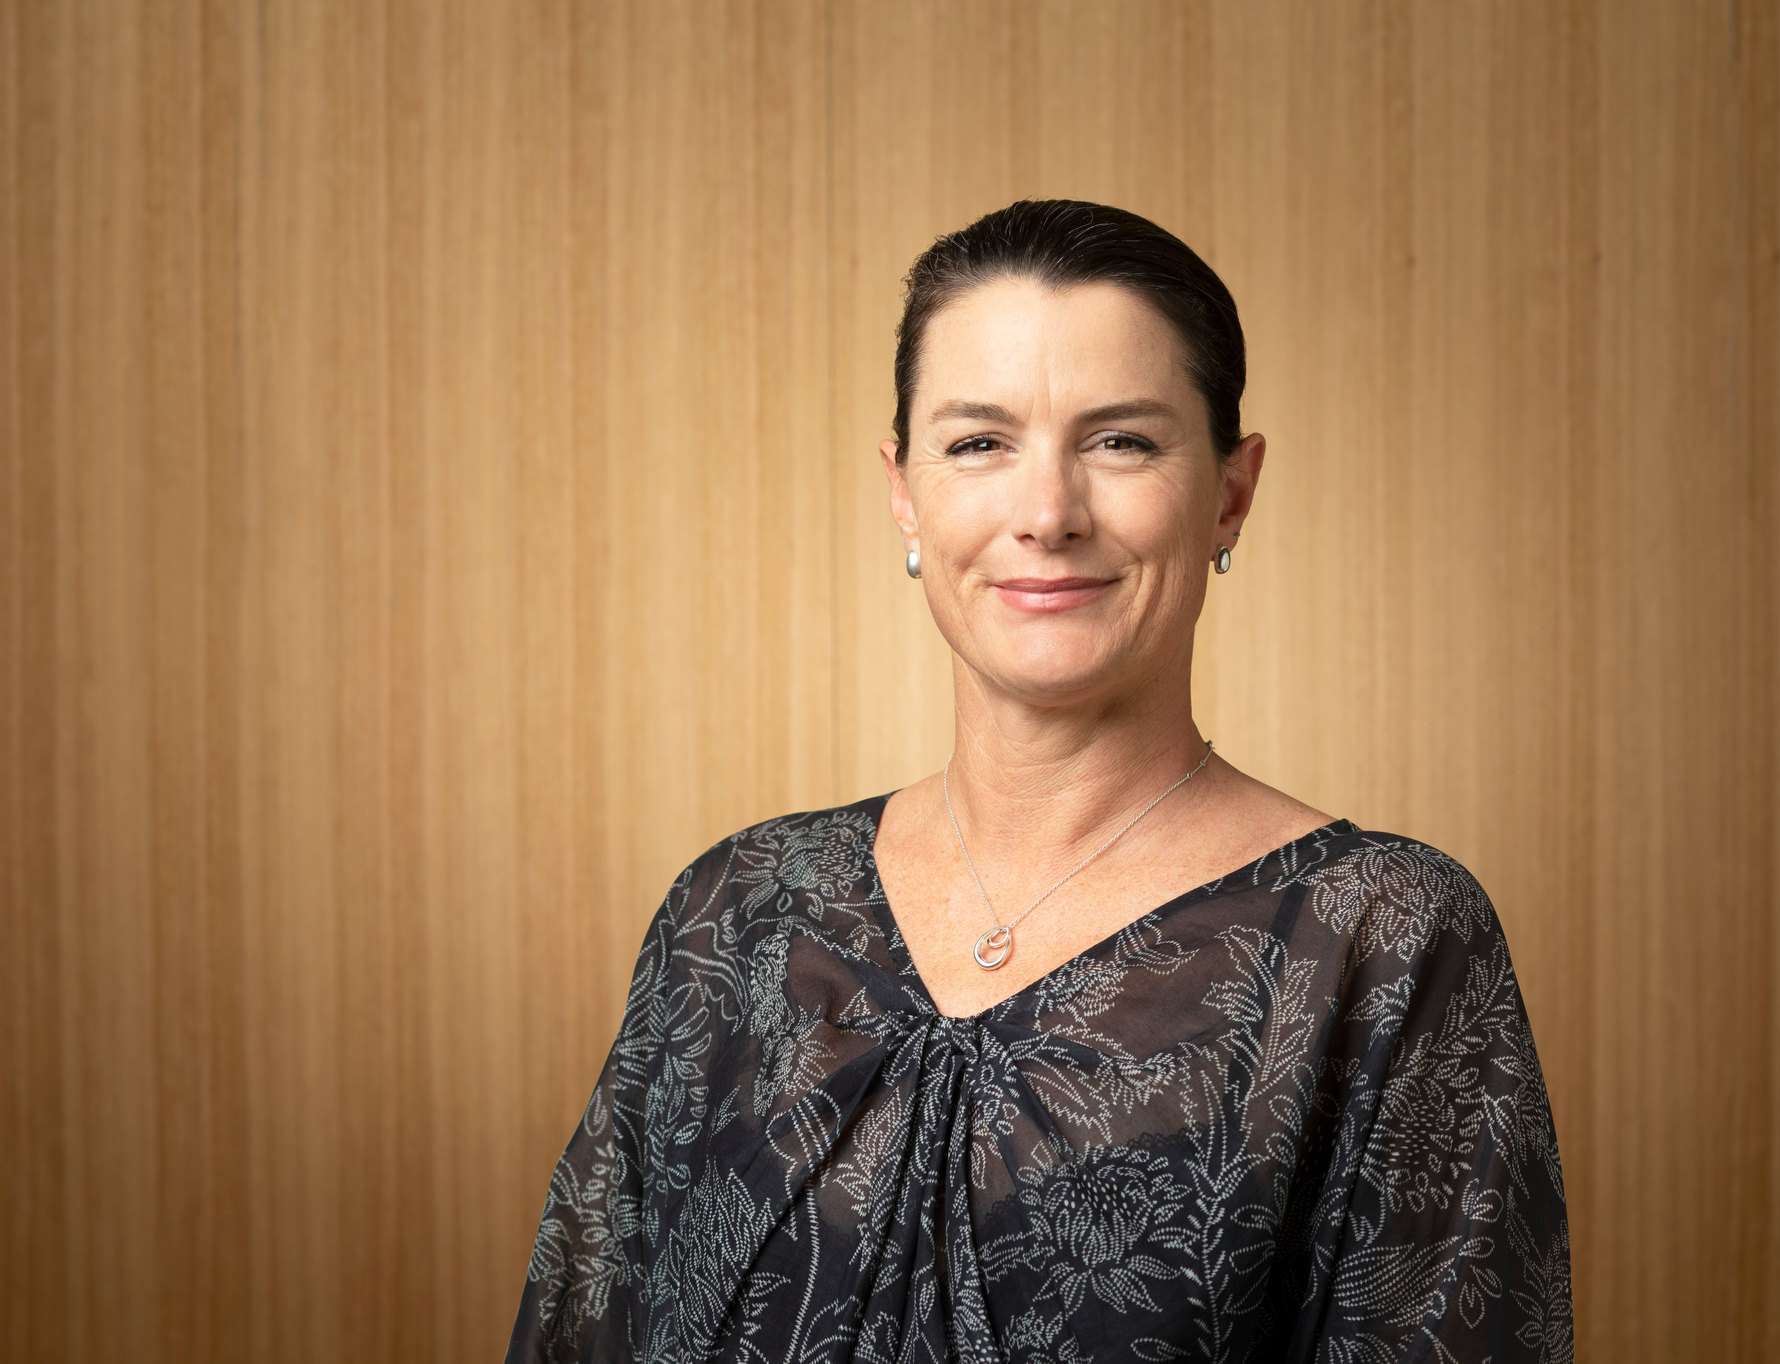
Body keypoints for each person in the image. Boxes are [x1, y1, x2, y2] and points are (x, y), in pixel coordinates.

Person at [503, 198, 1573, 1363]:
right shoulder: (734, 909)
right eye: (978, 443)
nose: (1047, 513)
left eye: (1121, 442)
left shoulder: (1385, 939)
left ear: (1229, 491)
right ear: (903, 490)